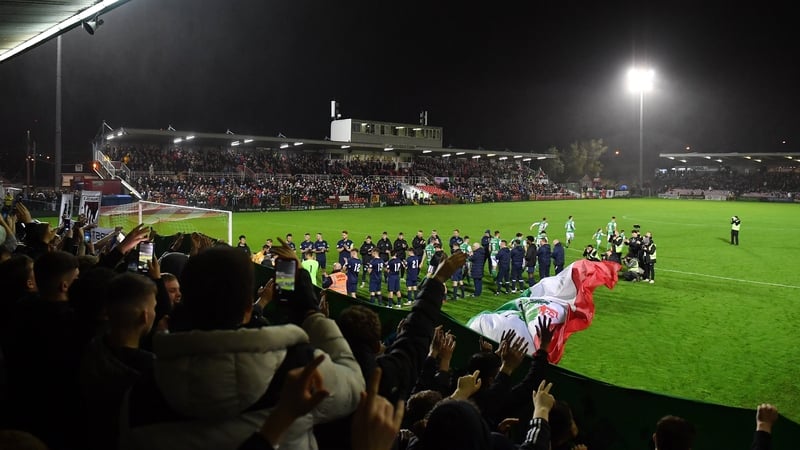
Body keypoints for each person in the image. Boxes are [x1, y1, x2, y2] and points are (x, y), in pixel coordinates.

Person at [122, 245, 365, 450]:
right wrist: (311, 312)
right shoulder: (298, 367)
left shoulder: (141, 387)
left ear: (184, 300)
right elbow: (355, 385)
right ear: (249, 307)